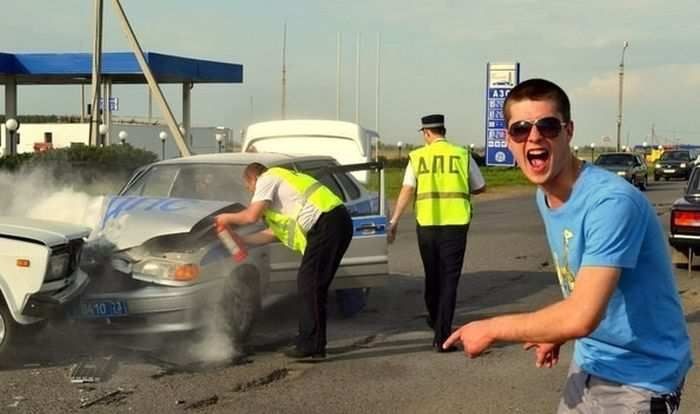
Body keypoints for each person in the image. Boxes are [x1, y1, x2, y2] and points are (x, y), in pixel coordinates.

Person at [443, 78, 691, 413]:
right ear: (509, 139)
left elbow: (582, 315)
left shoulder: (611, 203)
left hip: (641, 377)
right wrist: (557, 331)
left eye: (547, 126)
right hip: (590, 362)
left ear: (568, 131)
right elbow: (583, 291)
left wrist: (491, 328)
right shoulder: (546, 196)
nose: (534, 137)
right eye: (520, 129)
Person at [216, 162, 353, 360]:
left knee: (309, 285)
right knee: (313, 286)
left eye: (249, 187)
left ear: (253, 179)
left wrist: (224, 218)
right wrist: (242, 240)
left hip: (326, 223)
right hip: (333, 223)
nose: (251, 193)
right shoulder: (281, 197)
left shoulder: (268, 178)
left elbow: (251, 216)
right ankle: (313, 344)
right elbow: (271, 234)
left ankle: (310, 345)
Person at [388, 114, 486, 352]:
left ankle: (435, 320)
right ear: (443, 130)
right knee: (449, 279)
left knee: (432, 276)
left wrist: (394, 221)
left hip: (427, 225)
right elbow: (480, 187)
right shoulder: (462, 155)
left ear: (427, 133)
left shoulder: (417, 157)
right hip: (456, 224)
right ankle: (442, 336)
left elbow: (407, 190)